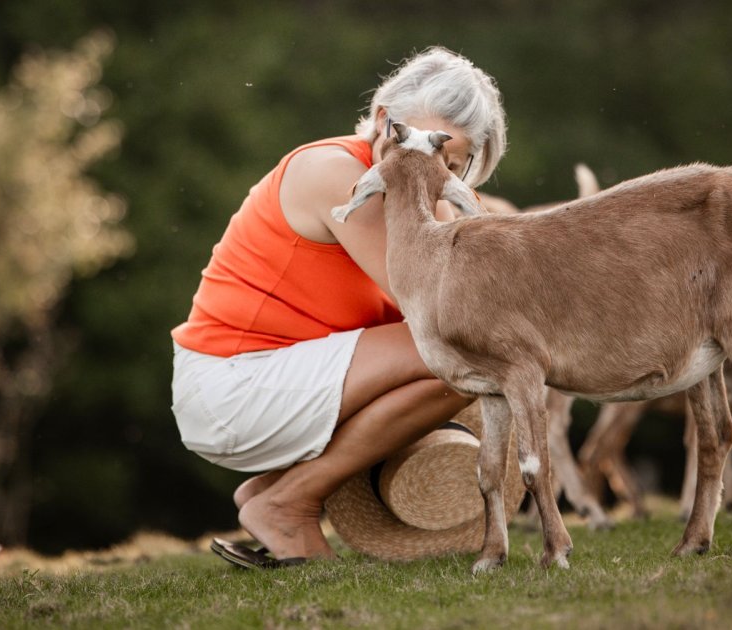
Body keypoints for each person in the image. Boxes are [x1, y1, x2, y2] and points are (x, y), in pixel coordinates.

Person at [170, 47, 507, 565]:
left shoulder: (425, 195)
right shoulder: (333, 174)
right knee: (464, 351)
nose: (428, 173)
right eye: (413, 146)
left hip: (280, 378)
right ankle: (288, 502)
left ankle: (276, 488)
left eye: (451, 164)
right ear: (380, 121)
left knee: (471, 348)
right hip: (231, 387)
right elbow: (446, 307)